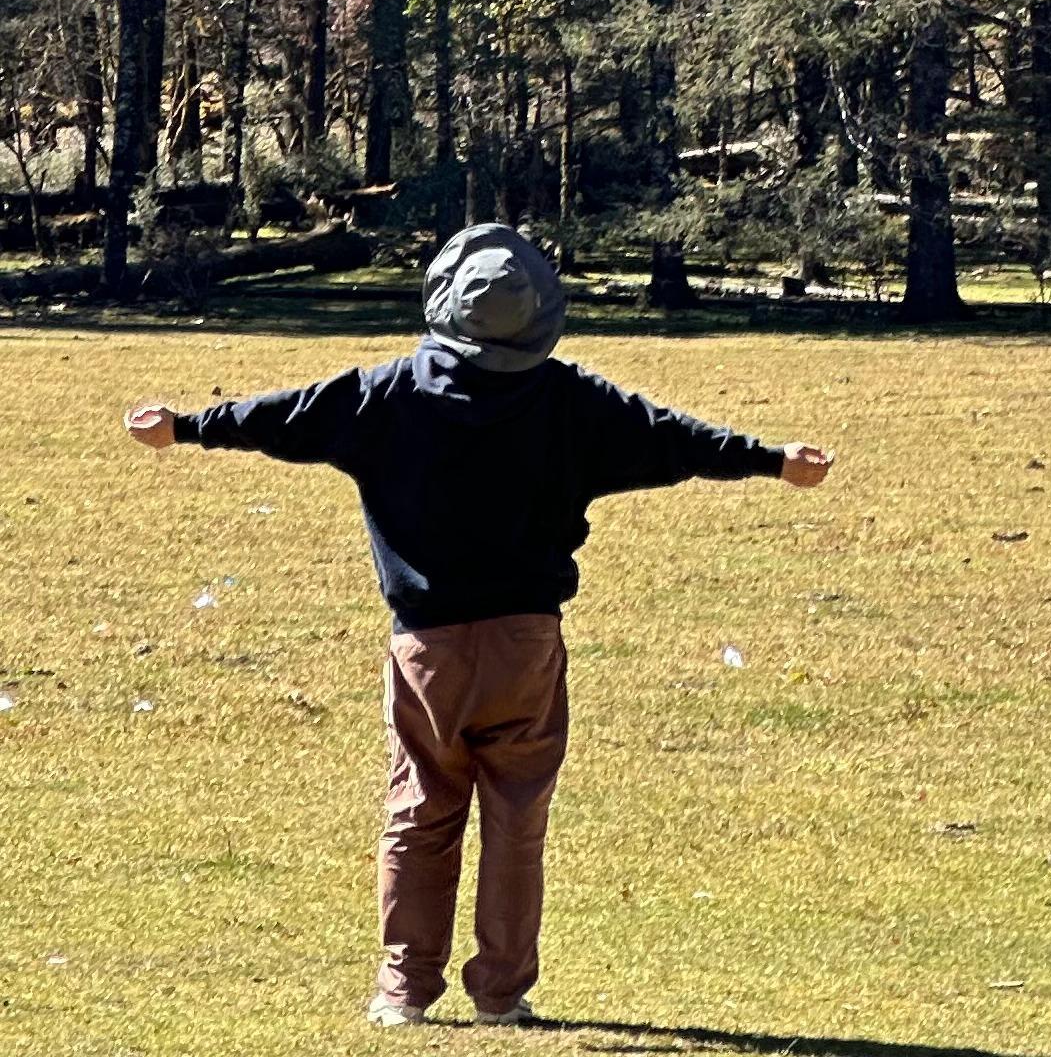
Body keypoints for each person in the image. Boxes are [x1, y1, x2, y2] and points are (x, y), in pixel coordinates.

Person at [125, 219, 834, 1029]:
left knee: (419, 813)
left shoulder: (382, 395)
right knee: (516, 821)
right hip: (527, 645)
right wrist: (773, 459)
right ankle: (501, 995)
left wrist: (182, 426)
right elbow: (672, 438)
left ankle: (403, 991)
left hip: (427, 647)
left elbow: (280, 417)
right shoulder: (572, 400)